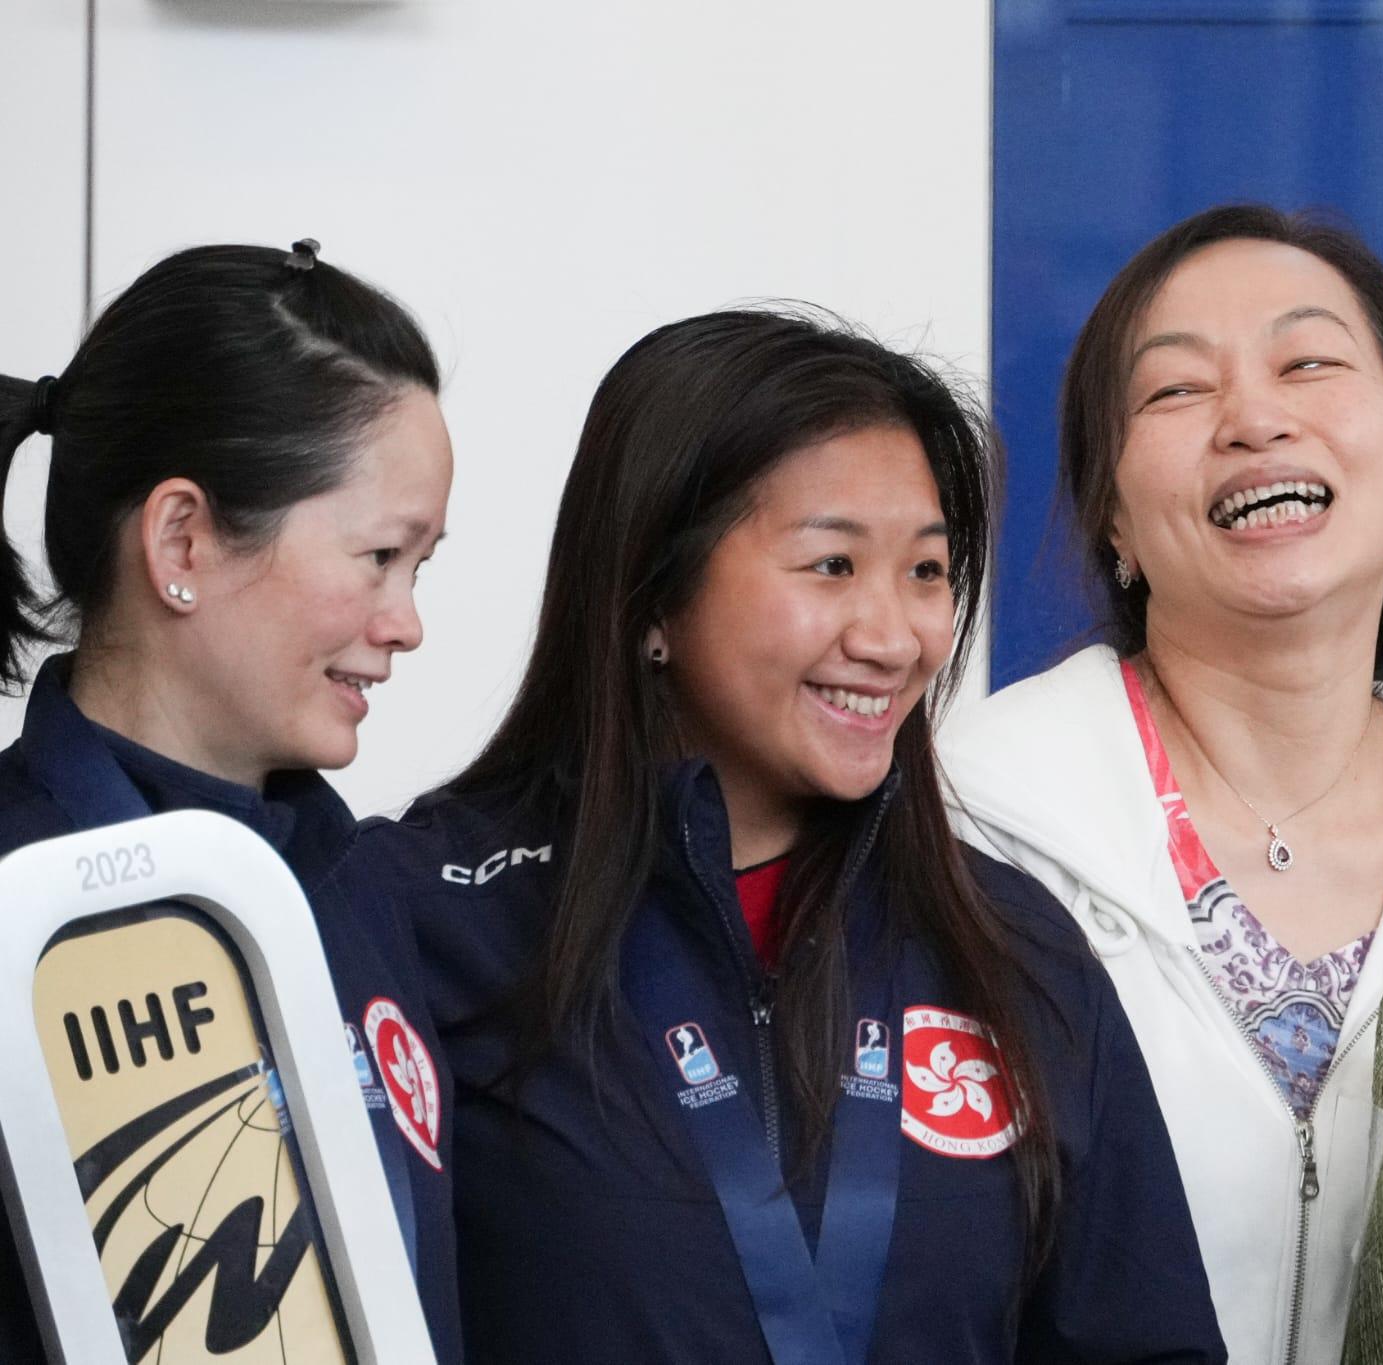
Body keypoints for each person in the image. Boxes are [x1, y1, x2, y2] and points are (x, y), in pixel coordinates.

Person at [347, 308, 1224, 1362]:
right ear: (649, 598)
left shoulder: (1018, 949)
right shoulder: (423, 917)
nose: (892, 637)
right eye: (830, 567)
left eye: (926, 572)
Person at [940, 204, 1383, 1363]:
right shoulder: (971, 827)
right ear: (1111, 516)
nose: (1254, 419)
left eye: (1309, 363)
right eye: (1174, 392)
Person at [0, 241, 459, 1360]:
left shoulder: (362, 890)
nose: (406, 623)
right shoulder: (17, 903)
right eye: (379, 555)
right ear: (182, 540)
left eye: (422, 567)